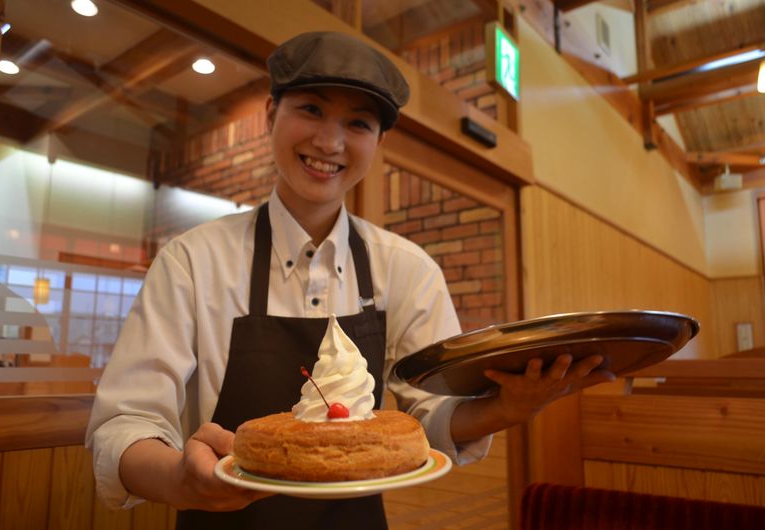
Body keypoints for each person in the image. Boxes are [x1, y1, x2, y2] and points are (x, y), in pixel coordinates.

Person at [85, 31, 614, 530]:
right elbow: (122, 425)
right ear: (272, 114)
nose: (330, 140)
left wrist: (504, 407)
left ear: (379, 141)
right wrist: (181, 480)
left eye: (358, 124)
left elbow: (422, 419)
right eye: (311, 109)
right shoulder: (192, 261)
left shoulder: (406, 268)